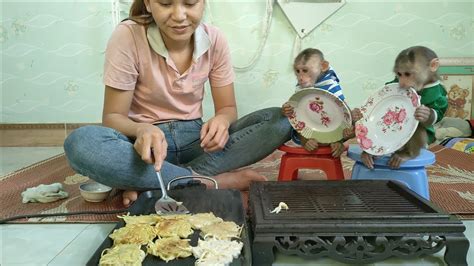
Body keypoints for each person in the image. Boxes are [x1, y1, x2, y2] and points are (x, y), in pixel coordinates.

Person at [64, 0, 291, 206]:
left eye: (190, 3)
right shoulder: (128, 35)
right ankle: (209, 182)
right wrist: (142, 129)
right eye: (165, 3)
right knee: (80, 143)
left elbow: (228, 109)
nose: (180, 15)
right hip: (145, 150)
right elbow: (113, 117)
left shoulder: (215, 39)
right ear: (149, 4)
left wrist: (221, 120)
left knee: (281, 120)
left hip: (197, 142)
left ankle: (154, 181)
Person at [358, 46, 448, 169]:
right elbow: (384, 98)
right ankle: (372, 150)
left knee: (417, 125)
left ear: (432, 66)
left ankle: (408, 153)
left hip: (417, 133)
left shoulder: (437, 91)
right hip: (394, 128)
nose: (402, 82)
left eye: (408, 74)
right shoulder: (399, 83)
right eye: (399, 75)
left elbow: (439, 113)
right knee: (375, 119)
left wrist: (429, 114)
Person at [281, 48, 346, 157]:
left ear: (323, 67)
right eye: (297, 71)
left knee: (353, 120)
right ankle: (306, 142)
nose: (300, 77)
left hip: (332, 125)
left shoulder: (330, 83)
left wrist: (338, 138)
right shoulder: (302, 84)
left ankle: (337, 142)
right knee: (294, 121)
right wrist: (286, 109)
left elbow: (343, 113)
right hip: (310, 125)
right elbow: (297, 113)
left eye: (305, 70)